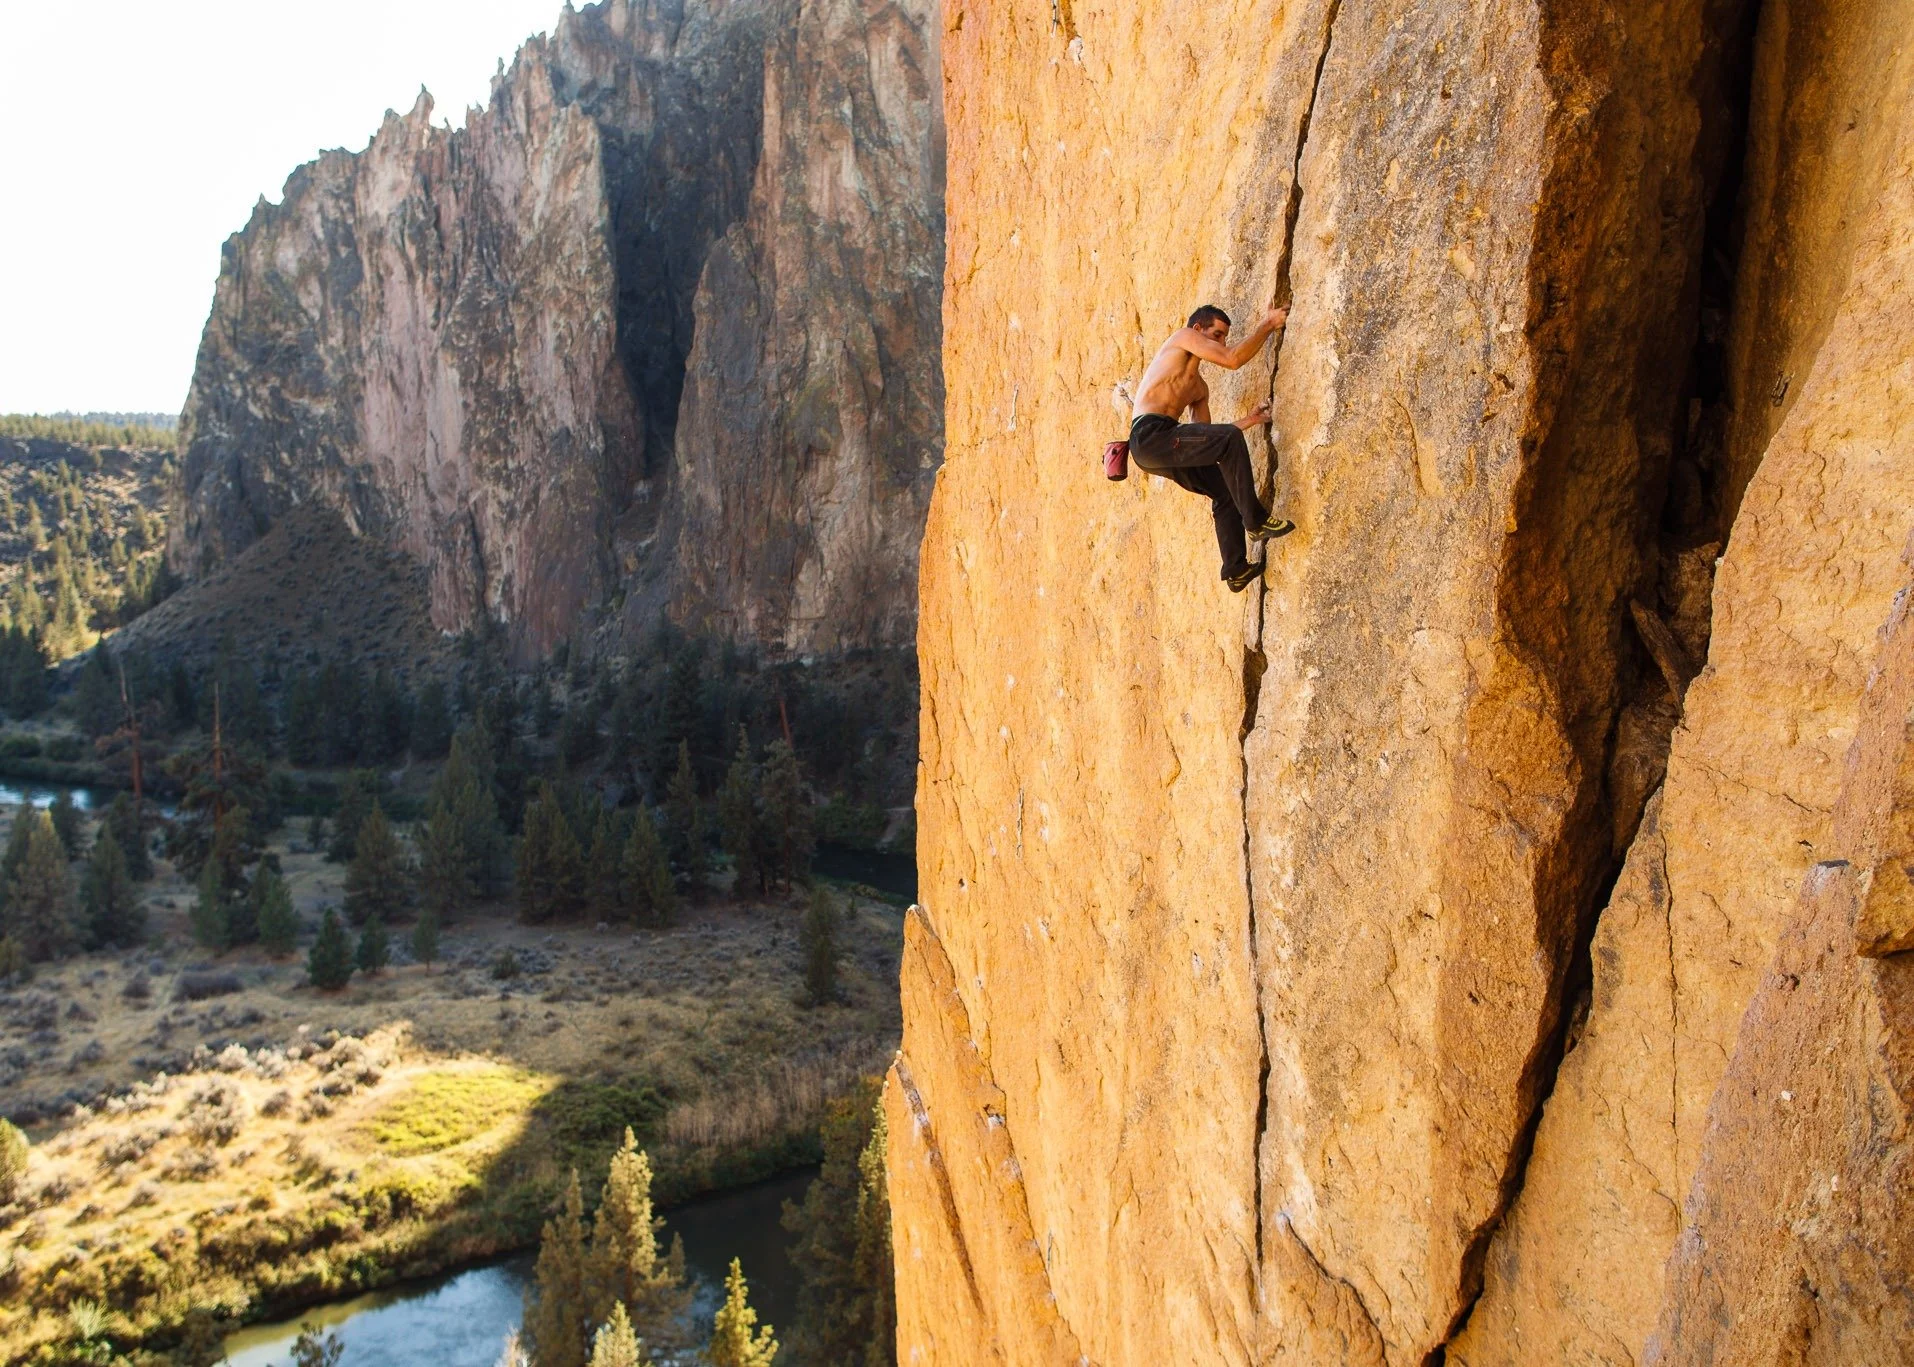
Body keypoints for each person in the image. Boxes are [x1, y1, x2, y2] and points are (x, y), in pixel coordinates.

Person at [1129, 303, 1294, 591]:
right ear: (1197, 330)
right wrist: (1268, 325)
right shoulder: (1181, 337)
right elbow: (1232, 360)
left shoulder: (1198, 389)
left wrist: (1249, 420)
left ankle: (1236, 569)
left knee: (1224, 490)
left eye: (1224, 337)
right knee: (1228, 440)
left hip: (1165, 445)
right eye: (1217, 334)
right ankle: (1256, 521)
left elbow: (1204, 439)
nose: (1221, 343)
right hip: (1148, 435)